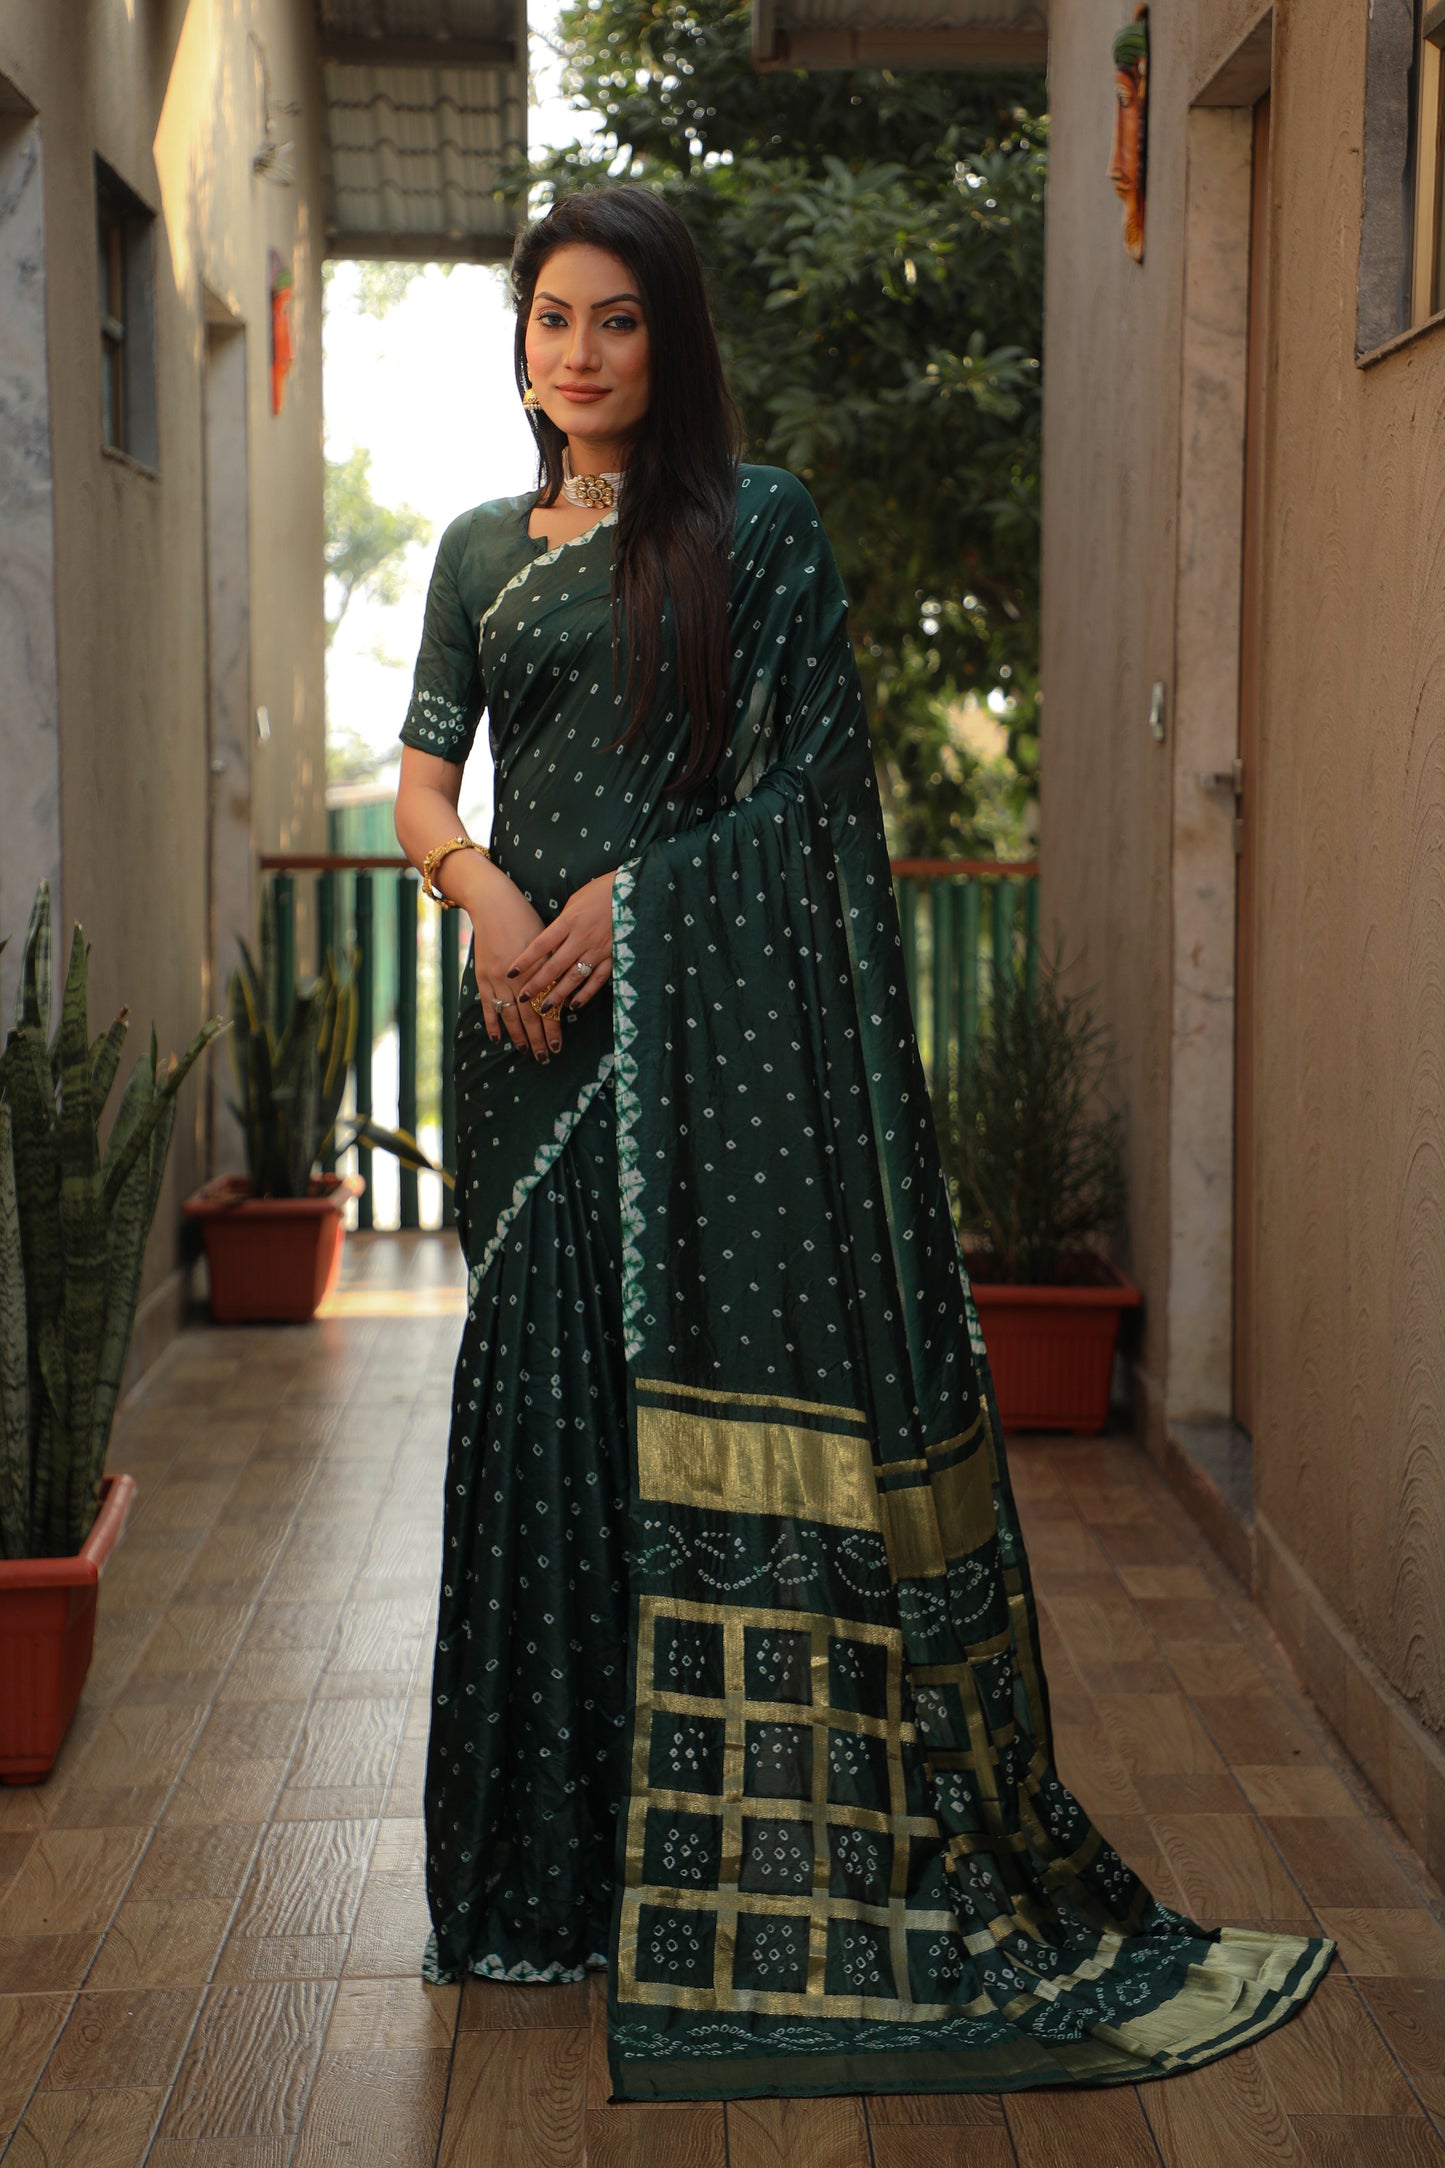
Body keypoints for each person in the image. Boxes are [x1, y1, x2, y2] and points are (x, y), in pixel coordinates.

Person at [392, 182, 1330, 2105]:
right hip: (521, 1050)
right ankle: (537, 1887)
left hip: (677, 1058)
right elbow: (424, 779)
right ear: (521, 340)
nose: (579, 353)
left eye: (619, 322)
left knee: (666, 1429)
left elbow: (815, 804)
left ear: (675, 342)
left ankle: (719, 1868)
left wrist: (627, 911)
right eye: (551, 319)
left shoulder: (759, 529)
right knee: (544, 1436)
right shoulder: (483, 547)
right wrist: (492, 900)